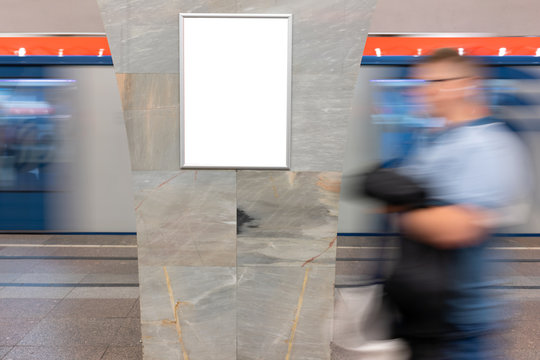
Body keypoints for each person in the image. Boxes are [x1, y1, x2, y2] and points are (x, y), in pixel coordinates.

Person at [382, 48, 532, 360]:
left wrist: (402, 211)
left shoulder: (487, 145)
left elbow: (457, 228)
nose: (422, 91)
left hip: (459, 321)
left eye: (434, 81)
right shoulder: (435, 137)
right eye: (419, 84)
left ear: (468, 84)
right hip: (425, 313)